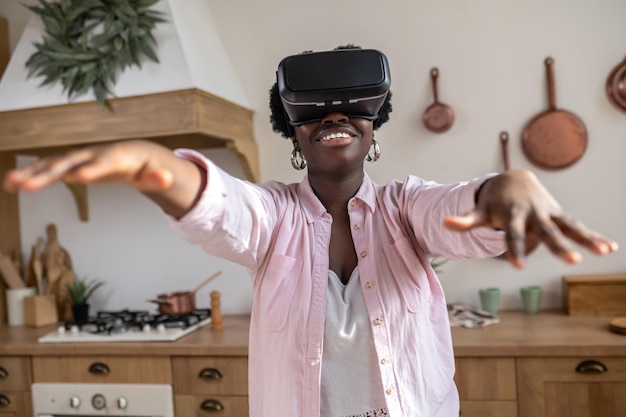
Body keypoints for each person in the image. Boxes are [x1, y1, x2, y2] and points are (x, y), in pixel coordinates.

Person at [2, 45, 618, 417]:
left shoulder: (408, 210)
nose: (334, 118)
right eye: (314, 111)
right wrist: (153, 164)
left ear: (375, 122)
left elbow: (462, 210)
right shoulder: (273, 221)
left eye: (352, 107)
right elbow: (221, 206)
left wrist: (508, 186)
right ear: (291, 130)